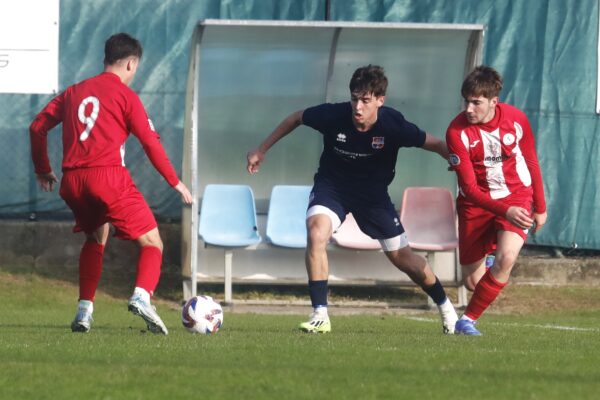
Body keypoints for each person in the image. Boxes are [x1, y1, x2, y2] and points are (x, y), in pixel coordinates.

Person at [247, 65, 458, 334]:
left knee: (403, 258)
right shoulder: (333, 115)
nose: (358, 106)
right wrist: (261, 149)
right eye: (354, 98)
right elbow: (296, 118)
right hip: (332, 187)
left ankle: (447, 310)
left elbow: (437, 144)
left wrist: (455, 160)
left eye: (366, 100)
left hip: (373, 197)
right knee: (316, 232)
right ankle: (320, 314)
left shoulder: (394, 124)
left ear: (380, 101)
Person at [29, 33, 193, 335]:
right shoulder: (126, 96)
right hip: (107, 177)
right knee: (153, 242)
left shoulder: (73, 92)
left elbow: (37, 126)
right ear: (131, 63)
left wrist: (43, 169)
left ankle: (84, 311)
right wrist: (175, 182)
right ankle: (142, 296)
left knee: (96, 237)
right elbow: (150, 142)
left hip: (72, 182)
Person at [446, 65, 548, 335]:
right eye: (466, 101)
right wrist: (507, 210)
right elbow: (468, 188)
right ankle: (492, 263)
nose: (469, 109)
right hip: (475, 204)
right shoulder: (456, 132)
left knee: (507, 258)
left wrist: (541, 206)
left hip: (517, 195)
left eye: (476, 103)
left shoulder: (516, 119)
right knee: (472, 281)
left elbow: (531, 161)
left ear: (494, 101)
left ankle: (466, 320)